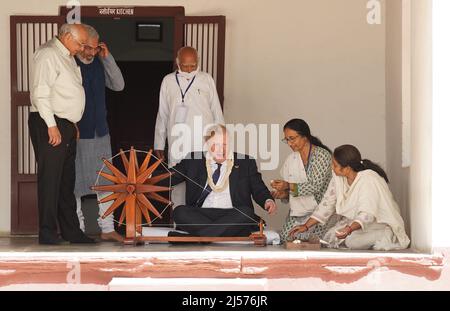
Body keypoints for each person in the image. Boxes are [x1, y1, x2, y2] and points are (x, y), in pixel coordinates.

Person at [29, 23, 95, 245]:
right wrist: (51, 125)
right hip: (49, 122)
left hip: (64, 124)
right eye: (80, 43)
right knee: (51, 179)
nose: (82, 48)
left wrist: (71, 123)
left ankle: (71, 232)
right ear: (67, 37)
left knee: (66, 181)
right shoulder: (48, 54)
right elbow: (41, 92)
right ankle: (47, 232)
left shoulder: (67, 55)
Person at [289, 144, 410, 250]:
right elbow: (327, 204)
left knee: (351, 242)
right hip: (359, 224)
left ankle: (386, 234)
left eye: (335, 165)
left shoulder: (368, 179)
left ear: (346, 168)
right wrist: (306, 226)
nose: (332, 167)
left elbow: (367, 214)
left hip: (378, 223)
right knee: (332, 236)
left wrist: (349, 229)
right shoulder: (338, 178)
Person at [167, 124, 277, 237]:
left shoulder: (246, 162)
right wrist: (149, 176)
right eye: (215, 145)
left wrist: (268, 200)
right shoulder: (194, 160)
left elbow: (258, 188)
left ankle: (196, 238)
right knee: (180, 212)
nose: (221, 150)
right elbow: (170, 176)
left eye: (224, 144)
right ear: (207, 145)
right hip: (202, 214)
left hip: (232, 214)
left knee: (246, 213)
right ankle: (225, 232)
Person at [154, 46, 224, 208]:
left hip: (203, 142)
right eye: (185, 65)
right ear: (177, 62)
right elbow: (162, 113)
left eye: (193, 65)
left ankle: (201, 224)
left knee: (204, 182)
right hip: (177, 142)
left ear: (198, 62)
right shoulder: (168, 81)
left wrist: (221, 141)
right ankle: (179, 224)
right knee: (177, 183)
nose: (189, 69)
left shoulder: (206, 79)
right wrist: (158, 143)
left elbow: (216, 111)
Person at [74, 24, 125, 242]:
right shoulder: (69, 64)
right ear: (78, 46)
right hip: (77, 133)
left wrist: (107, 58)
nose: (89, 53)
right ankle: (77, 228)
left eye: (94, 48)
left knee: (106, 183)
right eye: (86, 48)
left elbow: (119, 85)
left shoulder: (100, 62)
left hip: (100, 132)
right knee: (74, 185)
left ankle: (107, 229)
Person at [270, 119, 338, 242]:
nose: (290, 143)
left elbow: (315, 186)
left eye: (292, 138)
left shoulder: (322, 155)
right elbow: (290, 191)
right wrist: (281, 193)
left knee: (311, 240)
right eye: (287, 140)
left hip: (321, 209)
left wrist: (287, 185)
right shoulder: (291, 158)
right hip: (299, 210)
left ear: (305, 137)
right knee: (287, 238)